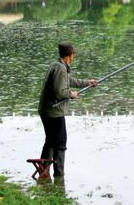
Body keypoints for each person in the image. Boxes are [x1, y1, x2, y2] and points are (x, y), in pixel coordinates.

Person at [38, 42, 98, 178]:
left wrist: (87, 82)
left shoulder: (57, 65)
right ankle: (59, 175)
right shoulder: (60, 68)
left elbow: (68, 80)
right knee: (60, 142)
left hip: (47, 110)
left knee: (51, 141)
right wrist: (72, 94)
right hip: (54, 112)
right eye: (73, 54)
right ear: (70, 55)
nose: (74, 56)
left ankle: (43, 172)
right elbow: (60, 92)